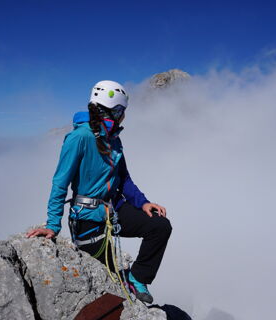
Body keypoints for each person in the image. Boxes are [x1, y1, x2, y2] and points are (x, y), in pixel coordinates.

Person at [27, 80, 172, 304]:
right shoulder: (79, 138)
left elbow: (123, 179)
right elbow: (60, 183)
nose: (124, 117)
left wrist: (143, 203)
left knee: (159, 226)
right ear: (116, 110)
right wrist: (52, 225)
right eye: (123, 111)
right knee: (109, 286)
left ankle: (137, 277)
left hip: (113, 208)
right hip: (88, 217)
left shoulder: (114, 139)